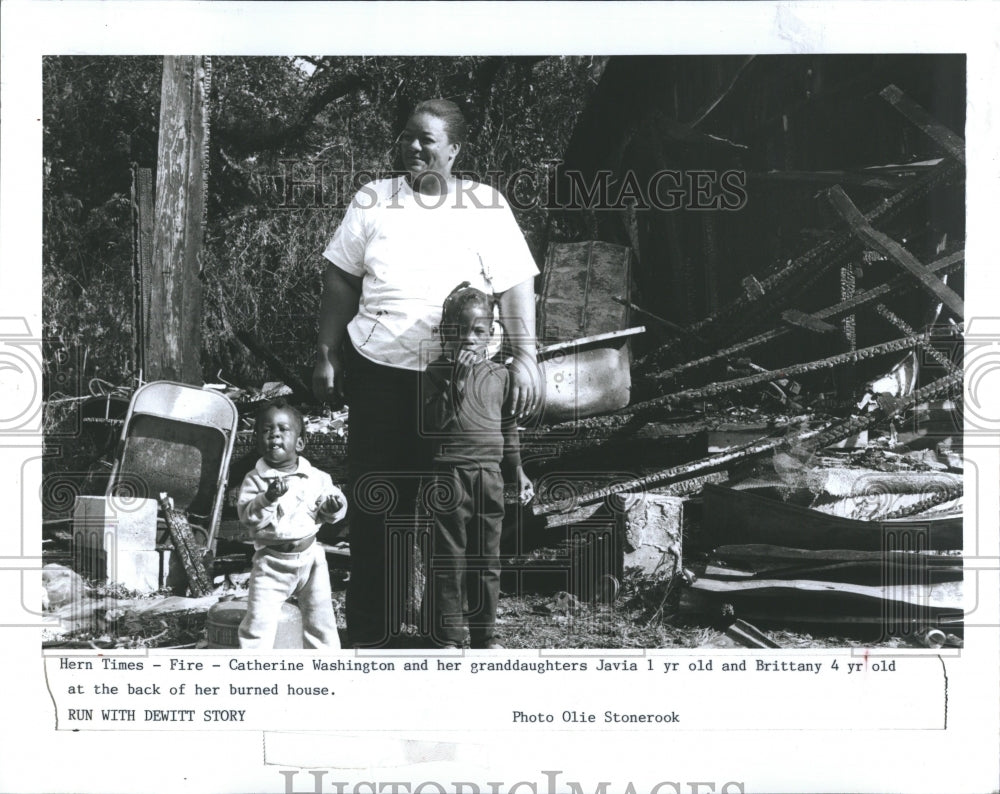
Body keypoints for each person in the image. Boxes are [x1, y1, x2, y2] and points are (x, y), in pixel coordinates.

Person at [313, 98, 540, 647]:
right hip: (379, 372)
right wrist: (325, 349)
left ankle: (451, 633)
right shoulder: (372, 200)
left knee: (451, 517)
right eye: (408, 136)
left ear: (455, 150)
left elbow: (515, 285)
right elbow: (340, 278)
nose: (413, 147)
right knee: (380, 505)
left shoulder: (486, 205)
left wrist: (527, 355)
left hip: (456, 388)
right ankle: (378, 630)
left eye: (428, 140)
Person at [422, 283, 534, 648]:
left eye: (478, 331)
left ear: (491, 334)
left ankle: (485, 637)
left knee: (488, 558)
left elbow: (509, 427)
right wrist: (457, 381)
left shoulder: (500, 376)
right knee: (450, 558)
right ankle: (450, 638)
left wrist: (516, 469)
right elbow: (432, 426)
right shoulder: (435, 373)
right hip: (450, 475)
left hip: (489, 476)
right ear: (445, 332)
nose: (469, 339)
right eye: (459, 331)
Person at [236, 399, 348, 649]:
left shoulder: (316, 477)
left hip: (311, 560)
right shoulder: (255, 480)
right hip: (272, 563)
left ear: (300, 442)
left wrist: (334, 506)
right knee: (258, 624)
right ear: (257, 442)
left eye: (283, 429)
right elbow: (249, 517)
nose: (274, 434)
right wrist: (268, 497)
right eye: (266, 431)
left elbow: (333, 503)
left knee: (321, 624)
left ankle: (328, 671)